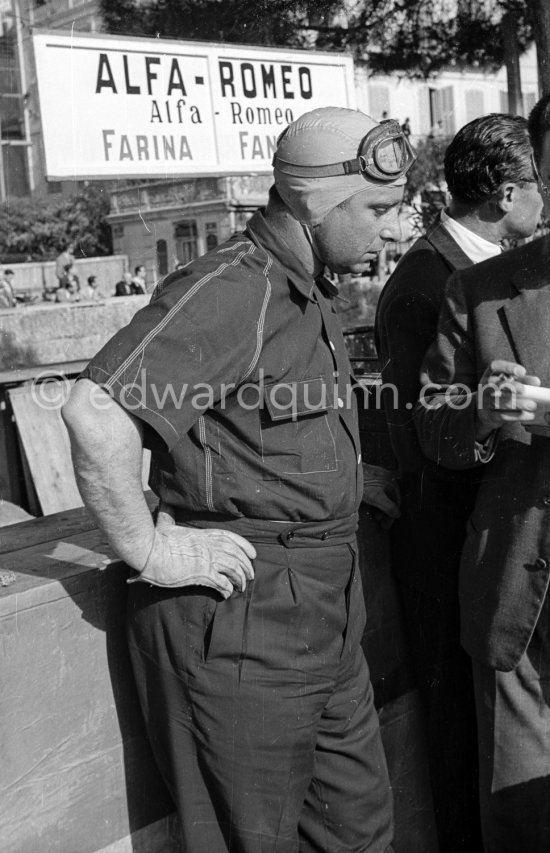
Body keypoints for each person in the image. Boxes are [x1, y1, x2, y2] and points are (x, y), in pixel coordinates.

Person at [62, 106, 416, 853]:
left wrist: (352, 476)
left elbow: (262, 421)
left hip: (322, 611)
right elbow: (96, 411)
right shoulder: (235, 286)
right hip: (242, 624)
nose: (392, 227)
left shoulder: (306, 286)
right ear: (318, 203)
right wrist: (154, 551)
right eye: (379, 209)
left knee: (359, 833)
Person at [375, 113, 543, 852]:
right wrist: (481, 410)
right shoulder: (472, 291)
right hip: (516, 597)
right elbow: (432, 428)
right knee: (515, 816)